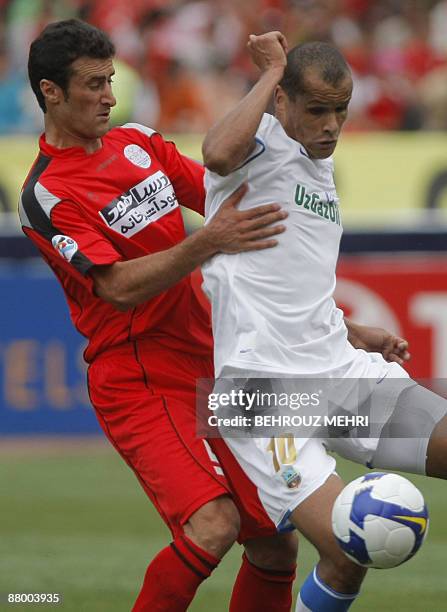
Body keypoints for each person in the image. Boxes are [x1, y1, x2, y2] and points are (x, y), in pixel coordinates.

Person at [20, 19, 303, 612]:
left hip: (213, 356)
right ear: (50, 92)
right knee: (214, 525)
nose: (109, 96)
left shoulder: (138, 143)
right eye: (94, 84)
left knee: (277, 539)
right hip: (138, 375)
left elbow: (228, 199)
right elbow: (116, 288)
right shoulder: (46, 194)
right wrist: (208, 242)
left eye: (111, 80)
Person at [201, 31, 447, 611]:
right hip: (259, 392)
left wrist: (350, 327)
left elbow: (289, 276)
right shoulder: (257, 141)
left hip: (336, 365)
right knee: (345, 554)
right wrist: (269, 73)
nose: (332, 126)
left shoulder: (319, 169)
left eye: (340, 110)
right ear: (282, 102)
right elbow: (213, 153)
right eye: (316, 110)